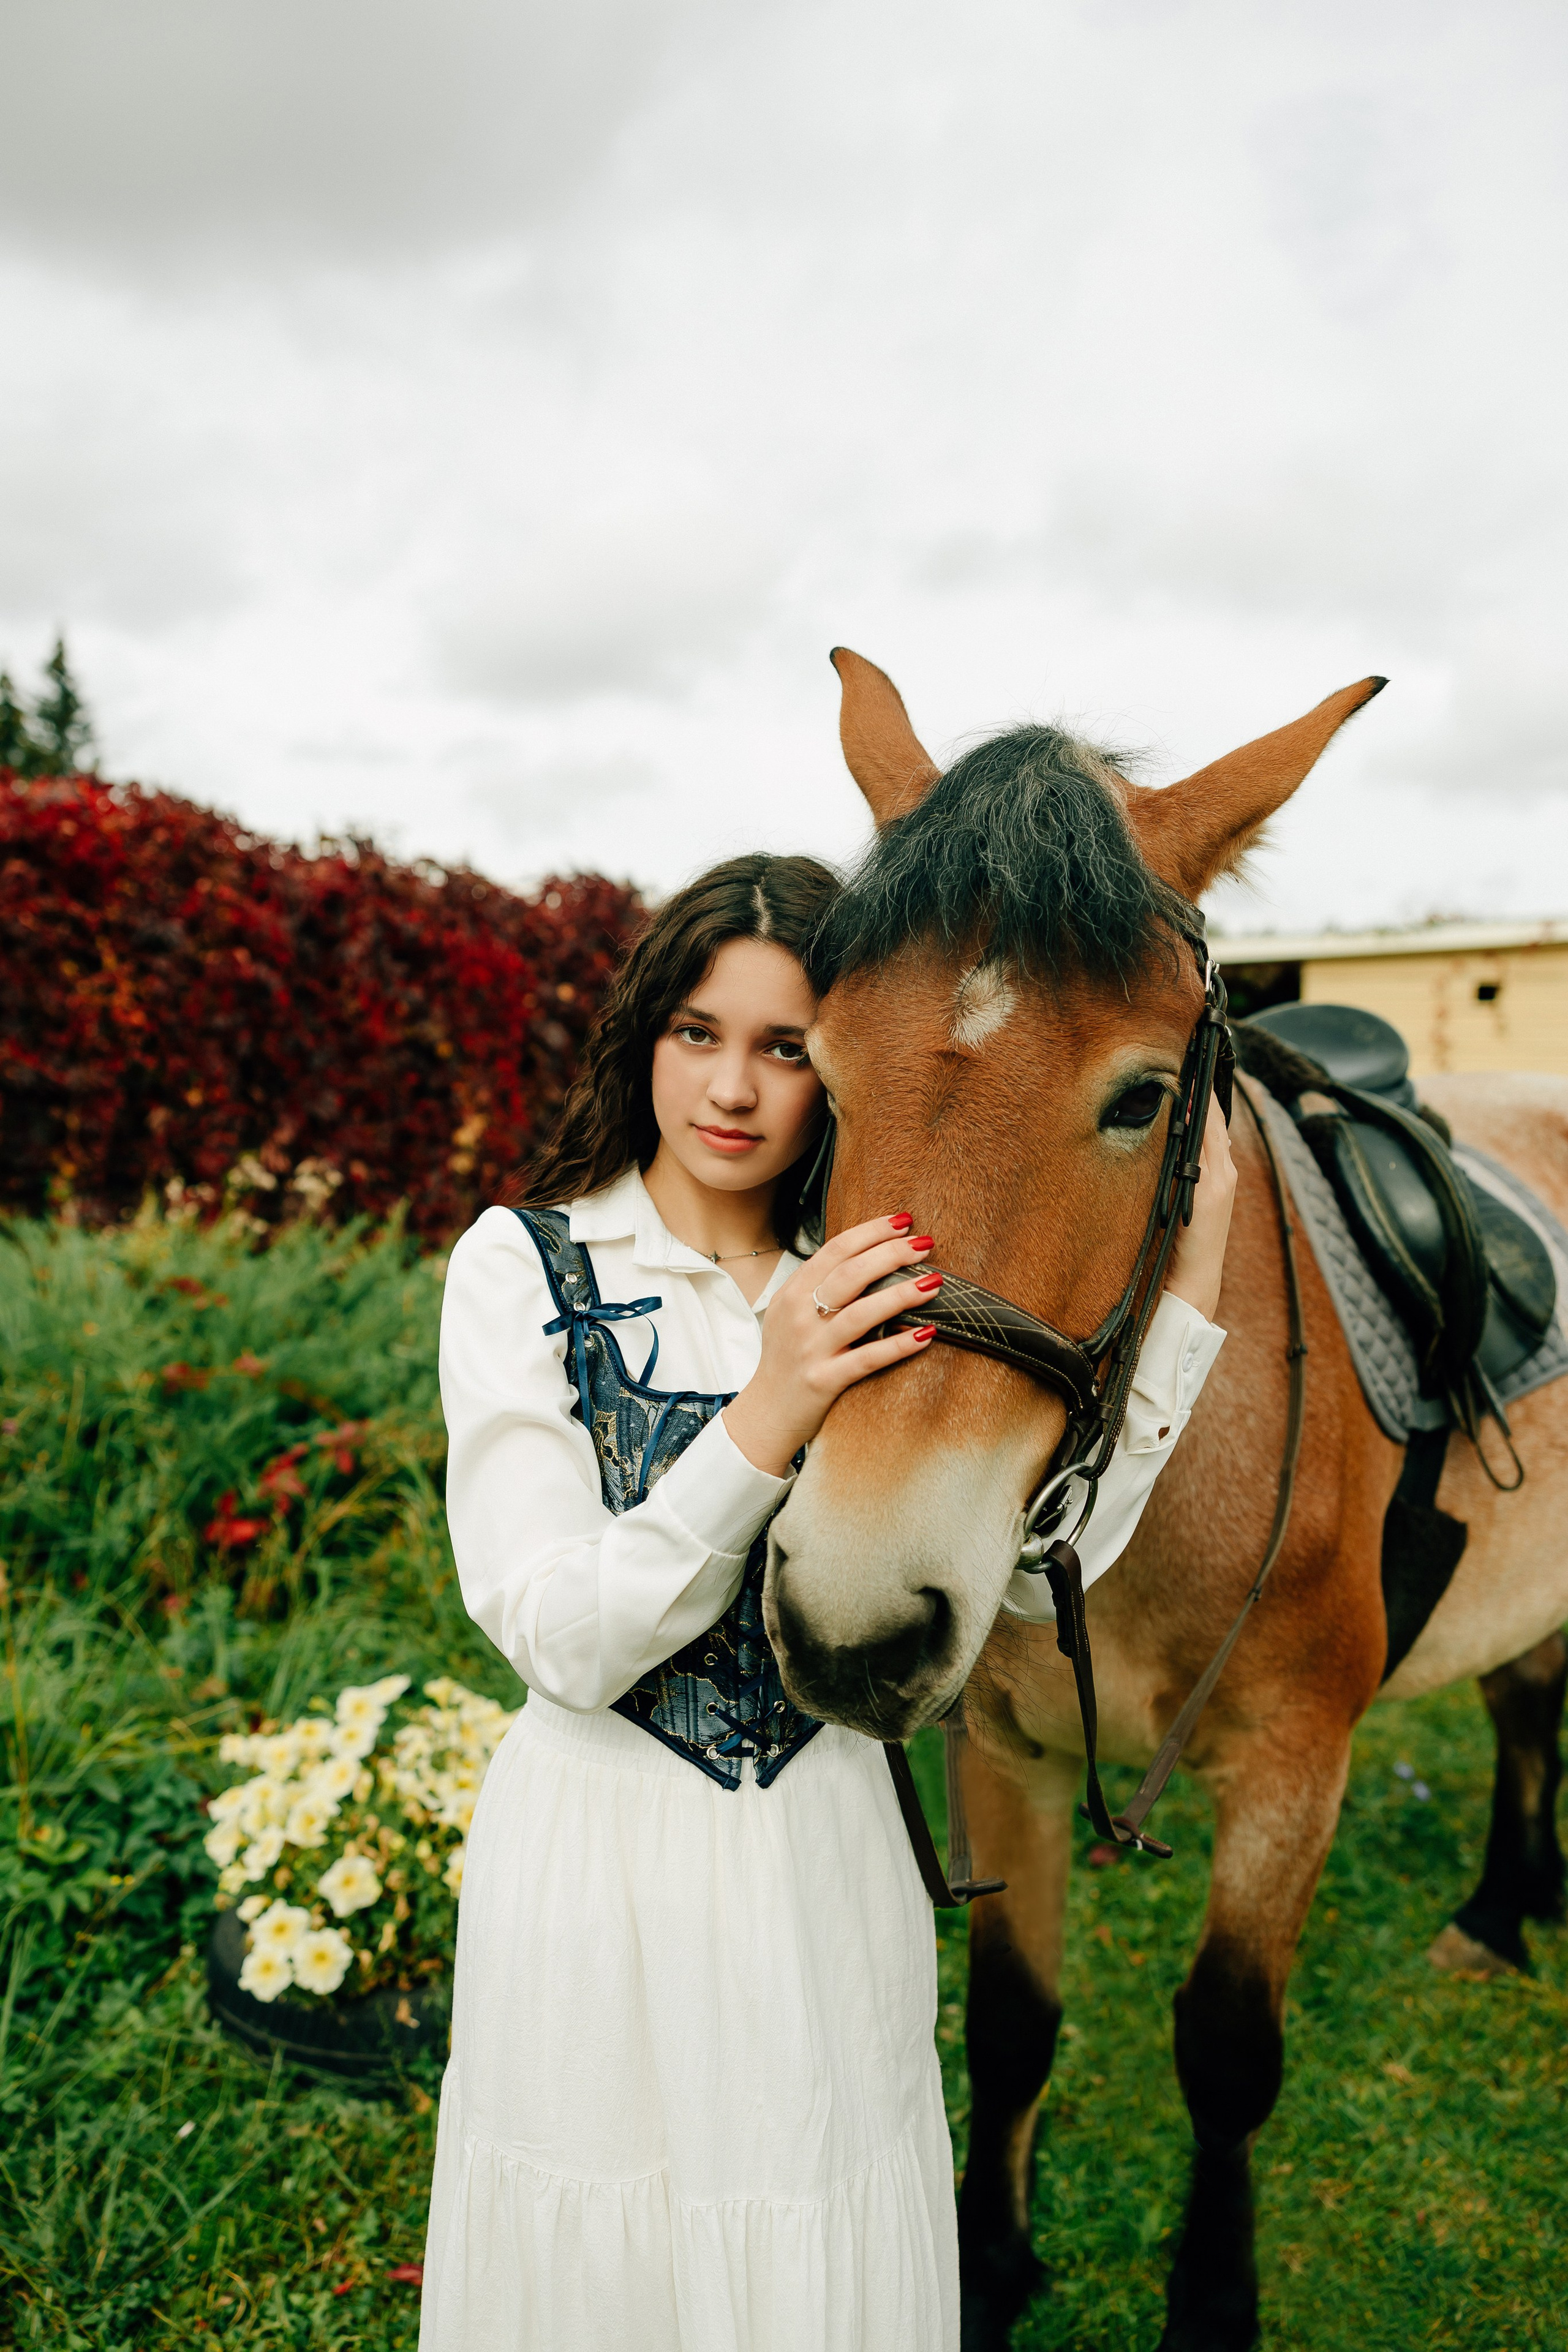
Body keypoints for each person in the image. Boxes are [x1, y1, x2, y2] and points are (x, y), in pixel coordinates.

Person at [420, 853, 1235, 2352]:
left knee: (814, 2247)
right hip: (601, 1866)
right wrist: (768, 1409)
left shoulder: (874, 1281)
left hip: (823, 1852)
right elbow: (560, 1638)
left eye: (783, 1048)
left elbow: (1026, 1574)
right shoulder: (521, 1268)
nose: (730, 1089)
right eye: (696, 1033)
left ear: (842, 1074)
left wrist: (1179, 1318)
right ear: (644, 1039)